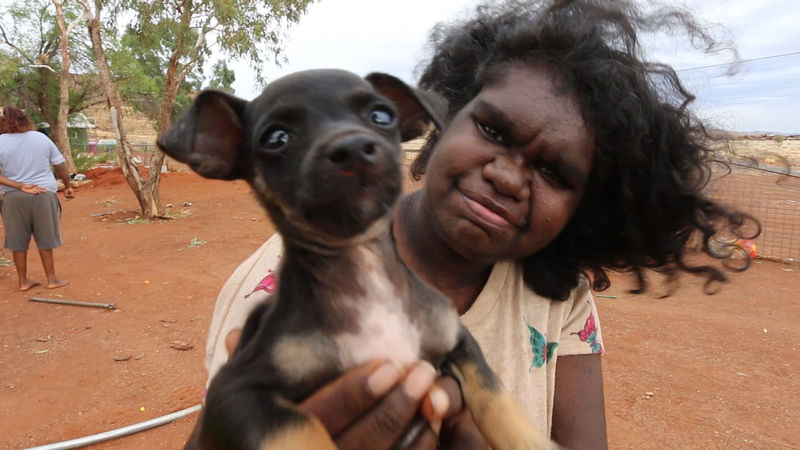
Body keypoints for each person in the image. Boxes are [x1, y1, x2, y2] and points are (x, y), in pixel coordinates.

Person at [201, 0, 758, 448]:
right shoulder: (275, 283)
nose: (509, 178)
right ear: (442, 115)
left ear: (586, 209)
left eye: (554, 172)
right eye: (492, 130)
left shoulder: (560, 298)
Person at [0, 106, 74, 291]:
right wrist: (68, 186)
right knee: (45, 238)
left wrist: (19, 186)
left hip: (13, 197)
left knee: (17, 240)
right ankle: (52, 279)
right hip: (43, 193)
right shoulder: (41, 138)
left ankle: (23, 281)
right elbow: (59, 165)